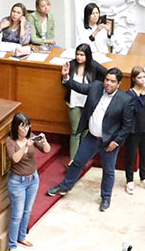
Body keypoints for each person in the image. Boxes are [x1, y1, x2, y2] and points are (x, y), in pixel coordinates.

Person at [47, 67, 135, 212]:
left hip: (109, 142)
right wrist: (66, 78)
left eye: (113, 82)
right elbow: (79, 87)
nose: (108, 84)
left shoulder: (125, 100)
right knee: (77, 163)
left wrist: (116, 142)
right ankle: (65, 187)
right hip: (91, 138)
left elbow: (127, 126)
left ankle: (106, 197)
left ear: (118, 84)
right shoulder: (95, 87)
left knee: (108, 171)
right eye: (107, 80)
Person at [3, 115, 52, 251]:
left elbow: (47, 150)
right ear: (16, 127)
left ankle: (22, 237)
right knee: (17, 215)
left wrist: (44, 141)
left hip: (33, 179)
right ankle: (12, 245)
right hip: (17, 182)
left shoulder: (31, 136)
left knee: (27, 211)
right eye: (22, 126)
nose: (26, 129)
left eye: (28, 125)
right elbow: (15, 159)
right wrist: (25, 145)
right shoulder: (10, 142)